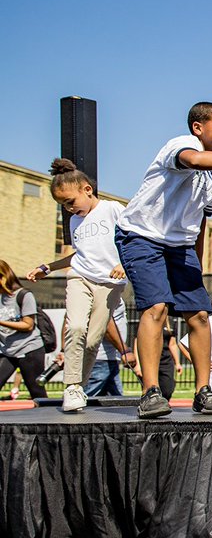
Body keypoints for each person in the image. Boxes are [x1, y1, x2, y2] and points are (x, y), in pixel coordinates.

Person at [116, 101, 212, 419]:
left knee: (200, 315)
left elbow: (202, 218)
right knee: (156, 307)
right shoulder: (183, 144)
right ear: (198, 127)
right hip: (140, 235)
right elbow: (194, 160)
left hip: (181, 245)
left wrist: (199, 261)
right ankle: (151, 393)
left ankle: (203, 392)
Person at [26, 159, 131, 411]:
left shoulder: (112, 209)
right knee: (74, 327)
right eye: (63, 205)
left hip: (109, 283)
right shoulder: (75, 222)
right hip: (80, 277)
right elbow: (80, 255)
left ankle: (79, 387)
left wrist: (124, 264)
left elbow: (134, 240)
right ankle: (72, 387)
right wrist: (48, 267)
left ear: (87, 189)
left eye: (70, 202)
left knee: (93, 339)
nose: (69, 209)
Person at [0, 260, 48, 399]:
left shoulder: (24, 295)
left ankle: (46, 419)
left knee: (36, 392)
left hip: (29, 349)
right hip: (7, 350)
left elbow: (28, 325)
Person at [81, 306, 130, 397]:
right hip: (100, 360)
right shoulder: (105, 297)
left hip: (109, 359)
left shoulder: (114, 296)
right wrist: (124, 351)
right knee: (82, 399)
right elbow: (106, 324)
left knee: (115, 403)